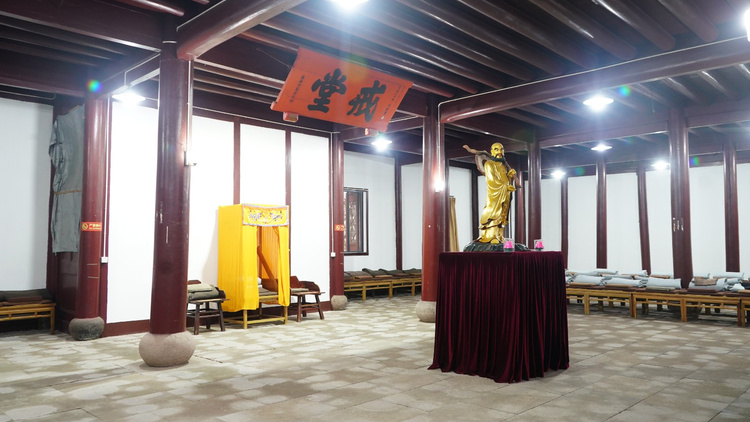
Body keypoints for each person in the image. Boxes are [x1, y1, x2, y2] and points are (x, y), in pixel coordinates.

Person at [463, 143, 520, 244]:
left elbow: (505, 179)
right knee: (494, 214)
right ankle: (490, 236)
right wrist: (505, 187)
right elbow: (492, 181)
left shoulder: (503, 165)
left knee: (503, 215)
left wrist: (510, 176)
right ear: (492, 151)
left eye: (501, 149)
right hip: (495, 194)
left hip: (505, 194)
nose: (499, 152)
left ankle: (499, 235)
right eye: (496, 149)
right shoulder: (489, 164)